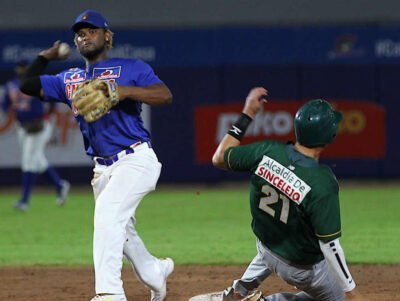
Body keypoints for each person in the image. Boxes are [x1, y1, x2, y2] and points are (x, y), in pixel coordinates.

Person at [19, 9, 174, 301]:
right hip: (102, 170)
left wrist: (123, 91)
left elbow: (164, 95)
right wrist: (46, 56)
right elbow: (28, 85)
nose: (84, 36)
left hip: (136, 159)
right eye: (79, 33)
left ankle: (110, 294)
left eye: (91, 30)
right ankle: (156, 272)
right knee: (123, 233)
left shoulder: (131, 67)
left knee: (107, 216)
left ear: (106, 36)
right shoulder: (69, 79)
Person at [212, 87, 369, 301]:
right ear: (330, 135)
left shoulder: (267, 151)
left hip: (265, 249)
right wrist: (352, 291)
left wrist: (248, 113)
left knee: (279, 237)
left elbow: (219, 158)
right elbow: (329, 245)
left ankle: (239, 291)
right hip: (302, 268)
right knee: (338, 298)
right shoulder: (321, 182)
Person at [1, 59, 70, 212]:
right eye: (21, 67)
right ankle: (59, 185)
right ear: (17, 69)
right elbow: (5, 104)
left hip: (40, 125)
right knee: (37, 160)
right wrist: (14, 112)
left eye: (25, 67)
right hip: (23, 127)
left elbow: (53, 100)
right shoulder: (12, 84)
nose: (23, 70)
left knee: (28, 162)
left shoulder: (37, 81)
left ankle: (24, 201)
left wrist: (47, 115)